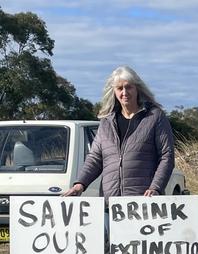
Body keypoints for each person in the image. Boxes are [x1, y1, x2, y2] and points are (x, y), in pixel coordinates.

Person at [62, 65, 175, 198]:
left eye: (129, 87)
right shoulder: (106, 122)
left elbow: (166, 156)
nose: (124, 92)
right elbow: (95, 158)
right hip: (111, 204)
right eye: (120, 88)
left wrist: (155, 188)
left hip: (144, 203)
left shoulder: (155, 117)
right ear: (114, 91)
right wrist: (80, 184)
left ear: (137, 88)